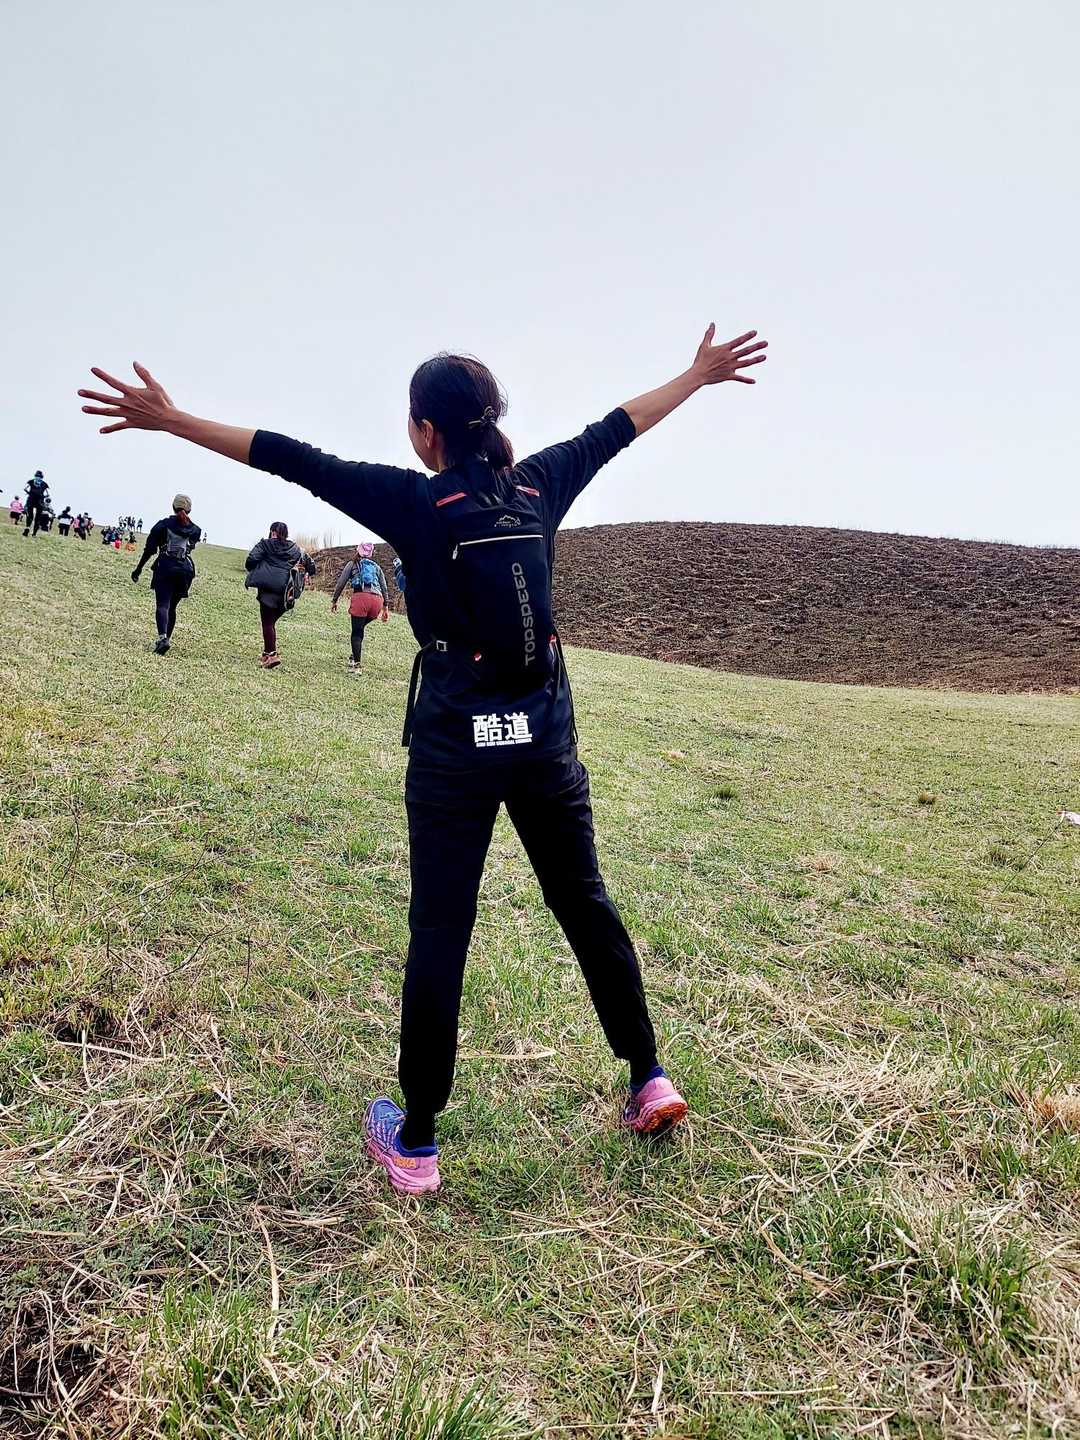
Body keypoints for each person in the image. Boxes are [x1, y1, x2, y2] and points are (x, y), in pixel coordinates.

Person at [78, 327, 767, 1194]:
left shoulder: (412, 501)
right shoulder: (539, 484)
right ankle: (648, 1076)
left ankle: (417, 1141)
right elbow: (620, 424)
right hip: (544, 735)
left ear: (426, 431)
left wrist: (173, 420)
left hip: (455, 745)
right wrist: (698, 375)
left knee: (442, 928)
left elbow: (287, 456)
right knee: (584, 902)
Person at [130, 493, 202, 653]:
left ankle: (162, 639)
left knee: (163, 604)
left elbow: (149, 550)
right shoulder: (196, 530)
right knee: (172, 607)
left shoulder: (162, 525)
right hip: (185, 570)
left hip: (165, 566)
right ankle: (166, 639)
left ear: (173, 507)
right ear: (189, 510)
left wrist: (139, 568)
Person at [244, 520, 316, 668]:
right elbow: (312, 567)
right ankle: (267, 653)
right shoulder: (296, 549)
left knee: (268, 623)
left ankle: (272, 655)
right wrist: (304, 572)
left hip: (267, 589)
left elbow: (250, 561)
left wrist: (259, 568)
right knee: (270, 623)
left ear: (273, 532)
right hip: (286, 592)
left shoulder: (265, 544)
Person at [331, 542, 389, 672]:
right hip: (377, 601)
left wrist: (334, 600)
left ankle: (356, 666)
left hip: (361, 598)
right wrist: (385, 607)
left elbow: (341, 583)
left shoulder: (352, 564)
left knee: (356, 632)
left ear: (358, 551)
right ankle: (354, 655)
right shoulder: (376, 567)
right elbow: (384, 587)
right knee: (360, 627)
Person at [23, 471, 49, 537]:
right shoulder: (44, 484)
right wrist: (43, 496)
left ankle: (27, 529)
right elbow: (47, 494)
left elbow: (25, 488)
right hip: (40, 501)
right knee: (37, 518)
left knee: (30, 516)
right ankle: (34, 534)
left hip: (31, 500)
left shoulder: (31, 481)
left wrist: (30, 493)